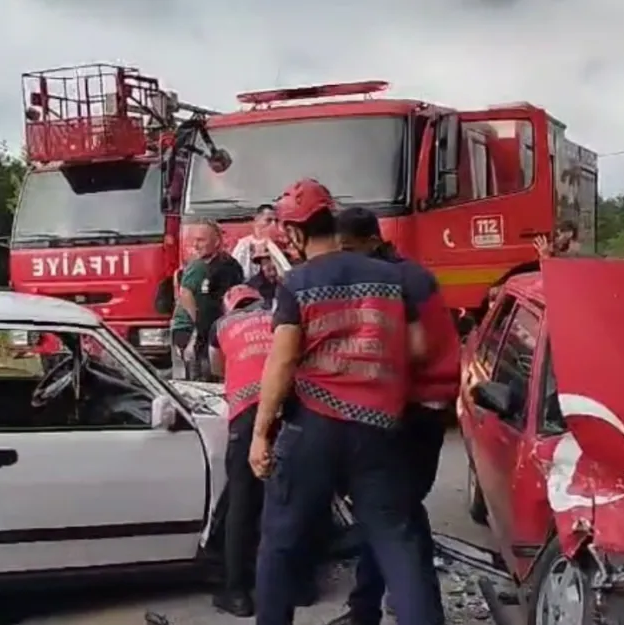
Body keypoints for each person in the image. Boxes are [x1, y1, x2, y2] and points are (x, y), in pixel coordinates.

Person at [248, 179, 441, 625]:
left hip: (313, 427)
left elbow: (281, 361)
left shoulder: (297, 283)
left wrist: (261, 432)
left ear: (295, 234)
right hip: (380, 428)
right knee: (399, 542)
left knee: (280, 540)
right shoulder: (392, 278)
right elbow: (417, 348)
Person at [331, 207, 461, 625]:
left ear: (372, 240)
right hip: (411, 406)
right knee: (388, 512)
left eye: (350, 250)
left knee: (396, 516)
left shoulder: (401, 280)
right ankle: (365, 609)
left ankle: (411, 613)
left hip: (417, 408)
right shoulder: (401, 275)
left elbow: (418, 349)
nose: (347, 259)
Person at [208, 284, 270, 617]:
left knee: (241, 504)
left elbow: (217, 369)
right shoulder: (276, 315)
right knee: (286, 498)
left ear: (228, 307)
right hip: (287, 411)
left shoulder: (221, 327)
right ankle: (297, 586)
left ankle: (236, 593)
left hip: (246, 417)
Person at [170, 221, 244, 380]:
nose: (196, 245)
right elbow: (184, 293)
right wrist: (197, 326)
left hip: (215, 334)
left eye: (201, 240)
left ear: (217, 241)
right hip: (192, 332)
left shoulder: (228, 266)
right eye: (194, 240)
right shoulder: (197, 266)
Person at [230, 204, 284, 279]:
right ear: (256, 220)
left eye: (276, 221)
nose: (273, 225)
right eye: (268, 220)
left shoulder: (281, 244)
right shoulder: (244, 244)